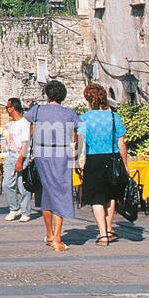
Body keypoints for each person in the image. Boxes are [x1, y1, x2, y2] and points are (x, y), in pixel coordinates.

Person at [26, 80, 79, 251]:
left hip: (42, 153)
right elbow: (76, 136)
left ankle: (49, 233)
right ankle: (57, 238)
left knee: (46, 193)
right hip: (61, 154)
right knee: (61, 193)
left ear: (47, 95)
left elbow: (30, 130)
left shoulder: (38, 110)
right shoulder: (70, 114)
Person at [77, 84, 128, 247]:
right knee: (111, 195)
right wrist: (125, 165)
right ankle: (110, 227)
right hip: (112, 158)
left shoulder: (84, 118)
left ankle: (103, 234)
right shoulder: (114, 117)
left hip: (94, 160)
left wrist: (77, 161)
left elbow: (79, 142)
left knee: (96, 197)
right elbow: (121, 143)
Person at [2, 99, 33, 222]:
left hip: (20, 155)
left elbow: (25, 143)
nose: (6, 109)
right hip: (10, 154)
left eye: (7, 107)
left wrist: (20, 160)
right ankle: (14, 208)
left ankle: (26, 211)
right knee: (7, 184)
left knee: (23, 185)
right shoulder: (11, 124)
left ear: (12, 108)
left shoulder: (24, 123)